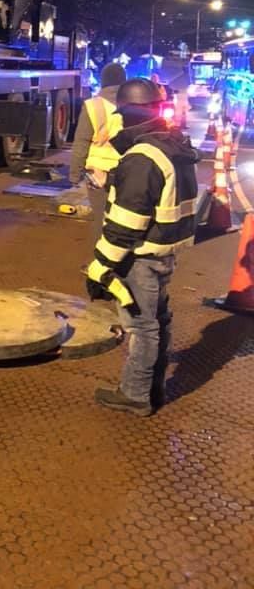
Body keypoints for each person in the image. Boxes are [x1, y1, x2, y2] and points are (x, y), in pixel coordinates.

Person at [85, 78, 198, 416]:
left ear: (131, 114)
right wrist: (115, 181)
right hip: (165, 252)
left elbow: (126, 225)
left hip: (141, 257)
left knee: (140, 326)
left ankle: (135, 395)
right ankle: (155, 388)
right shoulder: (173, 145)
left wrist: (100, 268)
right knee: (159, 321)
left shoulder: (142, 158)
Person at [69, 62, 126, 244]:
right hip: (127, 171)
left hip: (97, 173)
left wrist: (75, 174)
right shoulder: (134, 103)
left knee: (101, 218)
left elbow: (81, 142)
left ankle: (101, 265)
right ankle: (121, 263)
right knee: (124, 219)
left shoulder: (93, 105)